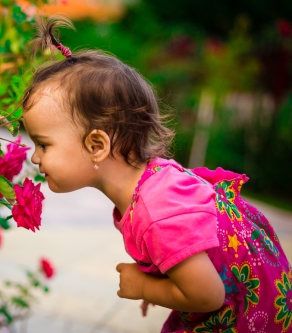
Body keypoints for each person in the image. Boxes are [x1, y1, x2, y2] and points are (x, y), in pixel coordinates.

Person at [21, 16, 292, 332]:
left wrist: (144, 287)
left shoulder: (157, 211)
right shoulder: (151, 185)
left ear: (96, 145)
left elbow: (207, 296)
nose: (35, 156)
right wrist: (167, 281)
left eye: (43, 144)